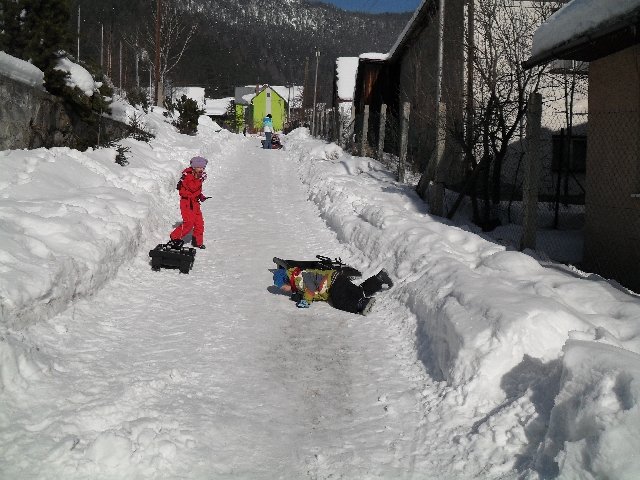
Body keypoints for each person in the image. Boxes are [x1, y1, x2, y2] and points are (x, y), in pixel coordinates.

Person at [272, 266, 394, 316]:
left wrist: (306, 301)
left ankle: (361, 304)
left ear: (287, 281)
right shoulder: (298, 277)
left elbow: (310, 288)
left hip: (332, 283)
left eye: (283, 288)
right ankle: (379, 279)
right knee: (356, 292)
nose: (284, 290)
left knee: (339, 301)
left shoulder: (299, 279)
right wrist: (299, 295)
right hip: (336, 278)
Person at [169, 156, 209, 249]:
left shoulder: (197, 175)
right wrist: (201, 179)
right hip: (187, 203)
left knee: (199, 223)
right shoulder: (187, 175)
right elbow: (192, 187)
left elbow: (195, 190)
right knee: (189, 223)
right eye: (199, 167)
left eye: (203, 168)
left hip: (195, 203)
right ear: (194, 167)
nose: (201, 170)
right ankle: (174, 237)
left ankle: (197, 241)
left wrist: (200, 196)